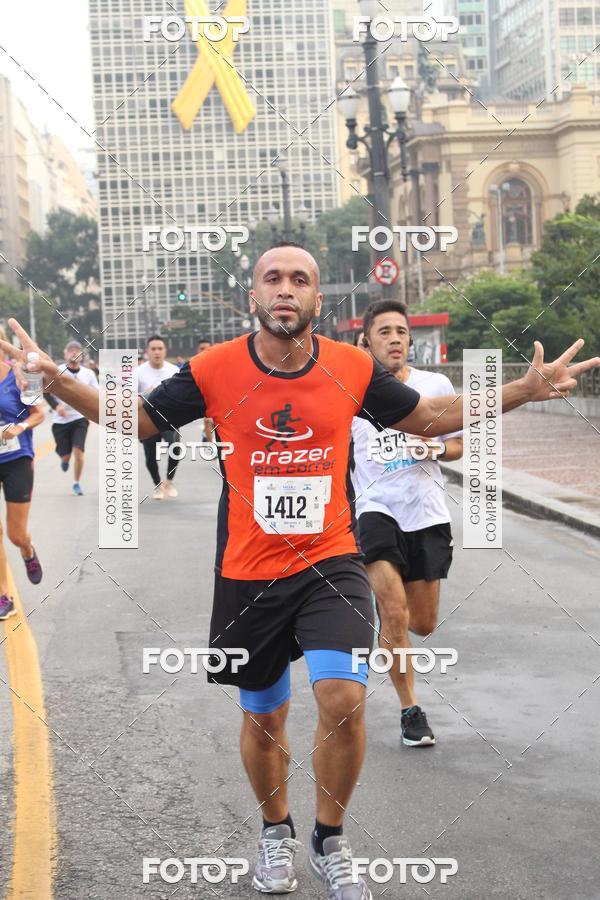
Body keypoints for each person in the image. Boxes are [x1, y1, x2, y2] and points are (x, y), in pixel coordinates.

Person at [2, 243, 597, 900]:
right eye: (273, 278)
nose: (286, 289)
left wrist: (521, 391)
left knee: (343, 698)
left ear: (317, 298)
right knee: (266, 716)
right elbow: (139, 420)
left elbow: (428, 417)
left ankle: (329, 840)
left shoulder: (351, 367)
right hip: (247, 572)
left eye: (300, 280)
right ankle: (275, 831)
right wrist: (57, 380)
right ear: (253, 296)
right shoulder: (213, 368)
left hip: (331, 562)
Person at [352, 300, 463, 747]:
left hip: (427, 513)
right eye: (384, 332)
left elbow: (458, 445)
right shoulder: (351, 392)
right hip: (375, 510)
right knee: (396, 614)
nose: (395, 339)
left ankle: (391, 618)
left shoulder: (434, 385)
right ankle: (410, 710)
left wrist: (431, 447)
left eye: (401, 331)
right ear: (367, 342)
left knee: (423, 623)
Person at [0, 325, 44, 619]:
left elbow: (39, 414)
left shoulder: (22, 374)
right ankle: (4, 596)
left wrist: (21, 426)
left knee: (16, 535)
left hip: (17, 458)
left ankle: (27, 550)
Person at [45, 340, 98, 496]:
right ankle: (65, 459)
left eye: (77, 350)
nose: (74, 353)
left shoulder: (88, 374)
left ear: (81, 355)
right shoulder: (57, 371)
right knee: (66, 455)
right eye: (70, 350)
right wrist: (56, 406)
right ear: (65, 354)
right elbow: (46, 392)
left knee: (78, 451)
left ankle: (76, 483)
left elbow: (96, 394)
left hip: (80, 418)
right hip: (60, 420)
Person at [136, 335, 180, 500]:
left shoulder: (174, 370)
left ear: (165, 351)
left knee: (175, 448)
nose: (157, 352)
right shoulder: (138, 372)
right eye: (153, 349)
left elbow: (181, 394)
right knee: (150, 455)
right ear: (147, 352)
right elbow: (128, 397)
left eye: (160, 349)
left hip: (169, 418)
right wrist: (146, 394)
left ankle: (169, 480)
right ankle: (157, 485)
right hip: (147, 420)